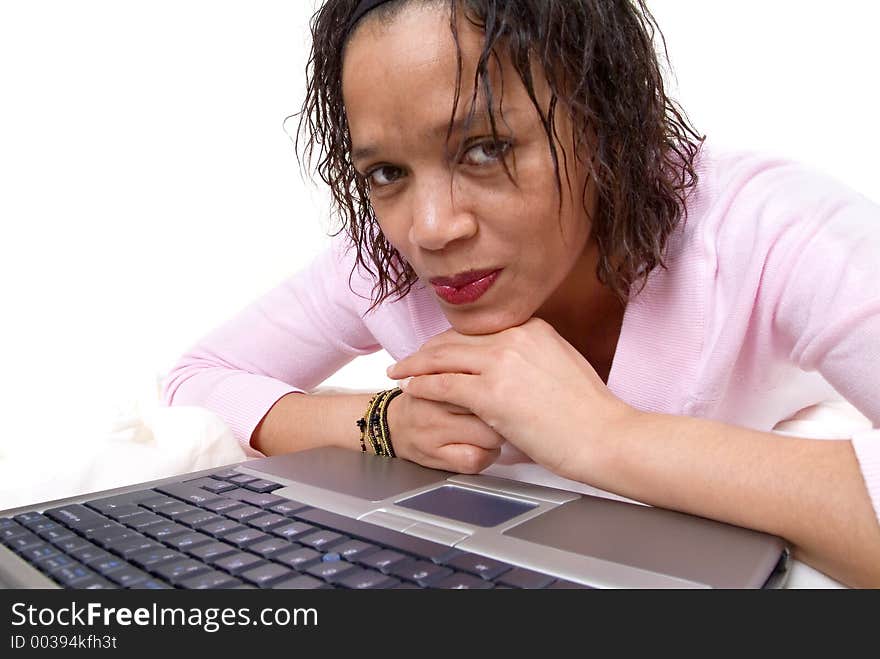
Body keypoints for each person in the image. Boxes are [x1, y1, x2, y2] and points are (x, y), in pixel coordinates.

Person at [162, 0, 880, 587]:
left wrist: (608, 436)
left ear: (606, 122)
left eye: (485, 149)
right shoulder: (388, 259)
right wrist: (383, 422)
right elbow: (196, 381)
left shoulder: (765, 227)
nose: (432, 228)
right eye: (385, 172)